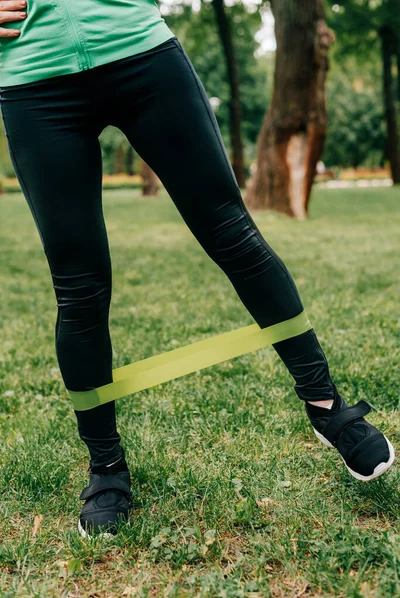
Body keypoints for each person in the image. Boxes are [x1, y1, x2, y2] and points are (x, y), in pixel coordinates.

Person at [0, 0, 394, 539]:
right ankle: (106, 468)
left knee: (234, 236)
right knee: (80, 287)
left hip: (139, 52)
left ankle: (327, 406)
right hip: (34, 78)